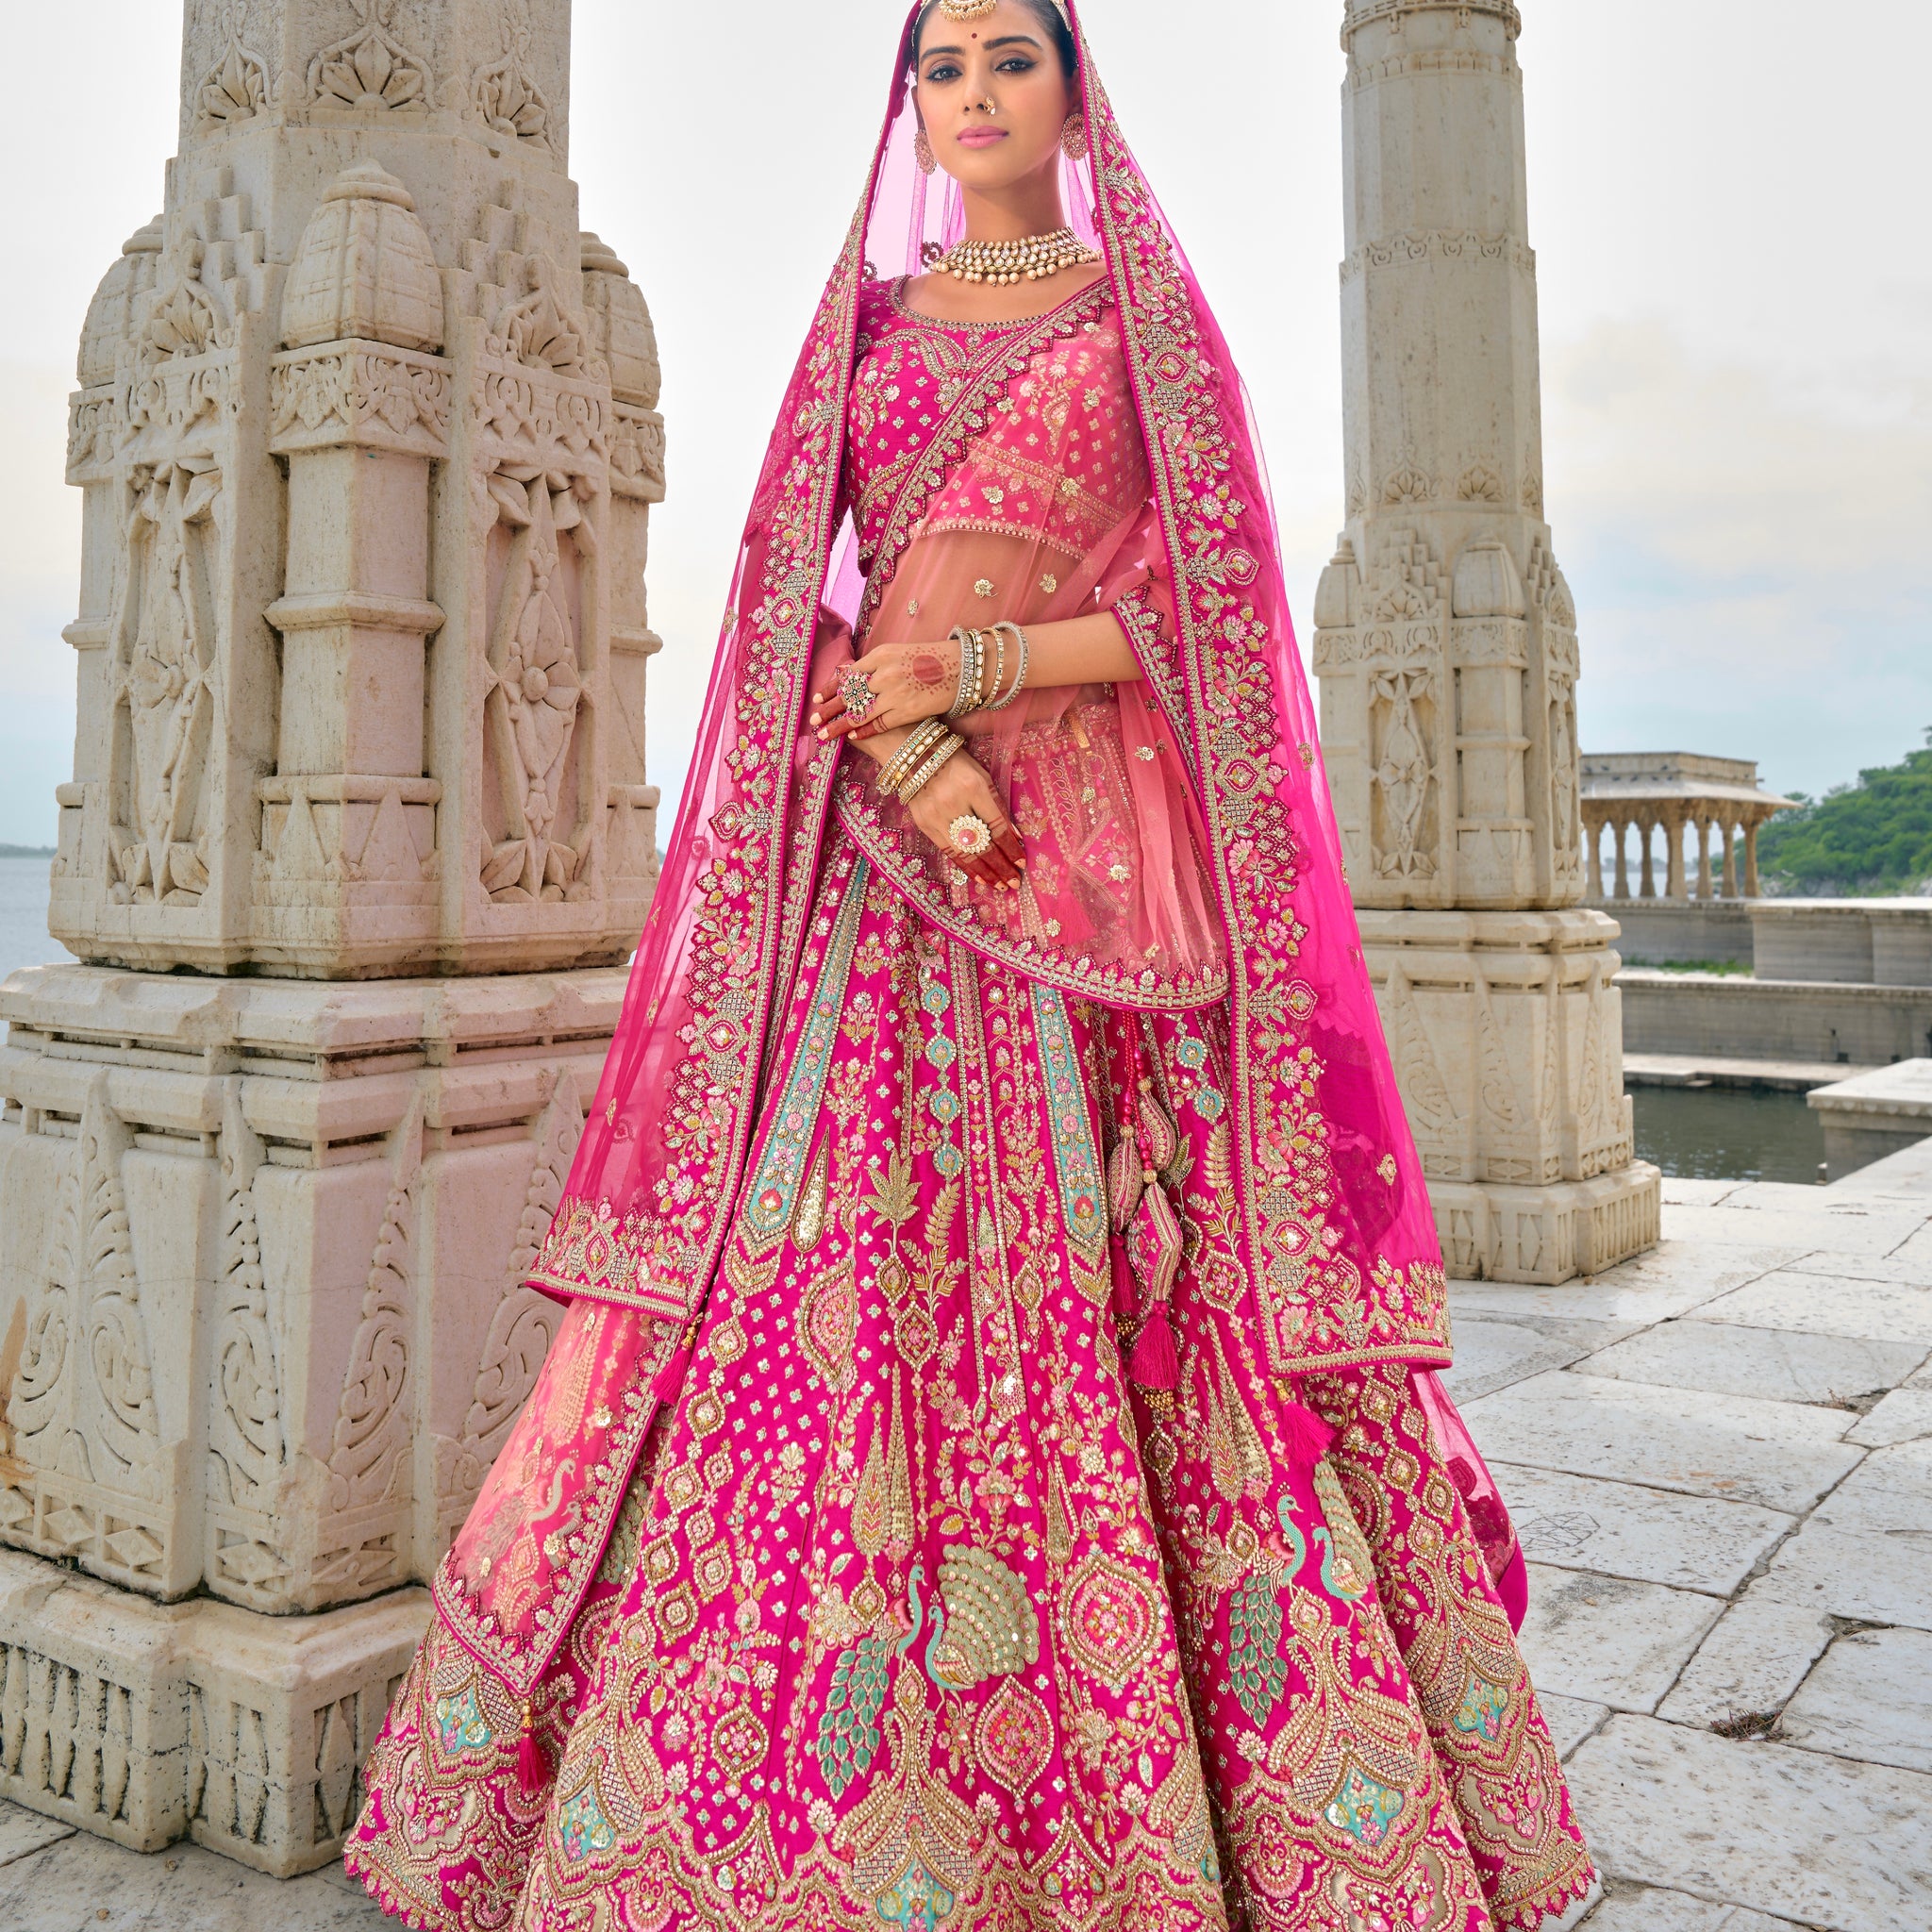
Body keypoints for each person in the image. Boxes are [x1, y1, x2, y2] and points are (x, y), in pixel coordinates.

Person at [346, 4, 1596, 1927]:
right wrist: (877, 709)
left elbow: (1210, 603)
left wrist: (984, 672)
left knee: (1114, 1301)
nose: (976, 95)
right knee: (819, 1288)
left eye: (1012, 58)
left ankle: (1149, 1804)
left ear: (1075, 92)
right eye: (942, 68)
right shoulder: (863, 327)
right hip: (875, 867)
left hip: (1081, 895)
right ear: (910, 105)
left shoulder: (1131, 320)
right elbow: (795, 591)